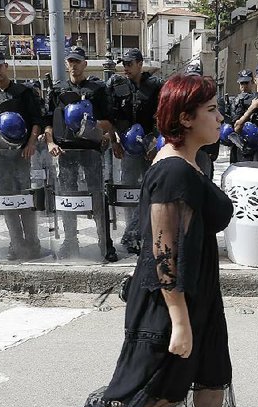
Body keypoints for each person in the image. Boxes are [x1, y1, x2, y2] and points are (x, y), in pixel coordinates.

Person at [74, 73, 250, 407]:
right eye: (211, 110)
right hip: (170, 297)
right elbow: (163, 251)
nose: (220, 116)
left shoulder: (191, 160)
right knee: (164, 388)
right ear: (186, 118)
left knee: (212, 372)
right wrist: (180, 321)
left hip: (200, 289)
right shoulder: (172, 169)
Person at [44, 46, 117, 261]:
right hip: (66, 151)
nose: (74, 65)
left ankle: (104, 242)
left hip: (90, 150)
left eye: (78, 61)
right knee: (68, 197)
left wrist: (89, 126)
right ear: (66, 65)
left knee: (96, 195)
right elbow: (48, 122)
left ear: (85, 64)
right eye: (70, 61)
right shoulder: (58, 90)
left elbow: (108, 122)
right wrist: (49, 143)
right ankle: (70, 241)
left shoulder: (98, 89)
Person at [0, 48, 44, 260]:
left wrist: (31, 143)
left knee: (24, 199)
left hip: (20, 156)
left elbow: (37, 121)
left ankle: (32, 242)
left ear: (6, 67)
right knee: (7, 202)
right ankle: (16, 242)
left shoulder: (23, 93)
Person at [108, 48, 163, 254]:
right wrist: (114, 140)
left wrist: (156, 142)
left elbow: (162, 115)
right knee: (128, 191)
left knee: (151, 190)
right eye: (124, 64)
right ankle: (131, 234)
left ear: (140, 63)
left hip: (150, 146)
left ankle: (148, 232)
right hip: (127, 147)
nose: (126, 68)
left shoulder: (155, 85)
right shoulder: (117, 85)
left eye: (130, 64)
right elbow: (110, 115)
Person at [227, 69, 255, 163]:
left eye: (246, 83)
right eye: (241, 84)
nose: (244, 86)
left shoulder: (256, 99)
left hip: (251, 139)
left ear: (252, 82)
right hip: (236, 140)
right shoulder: (234, 100)